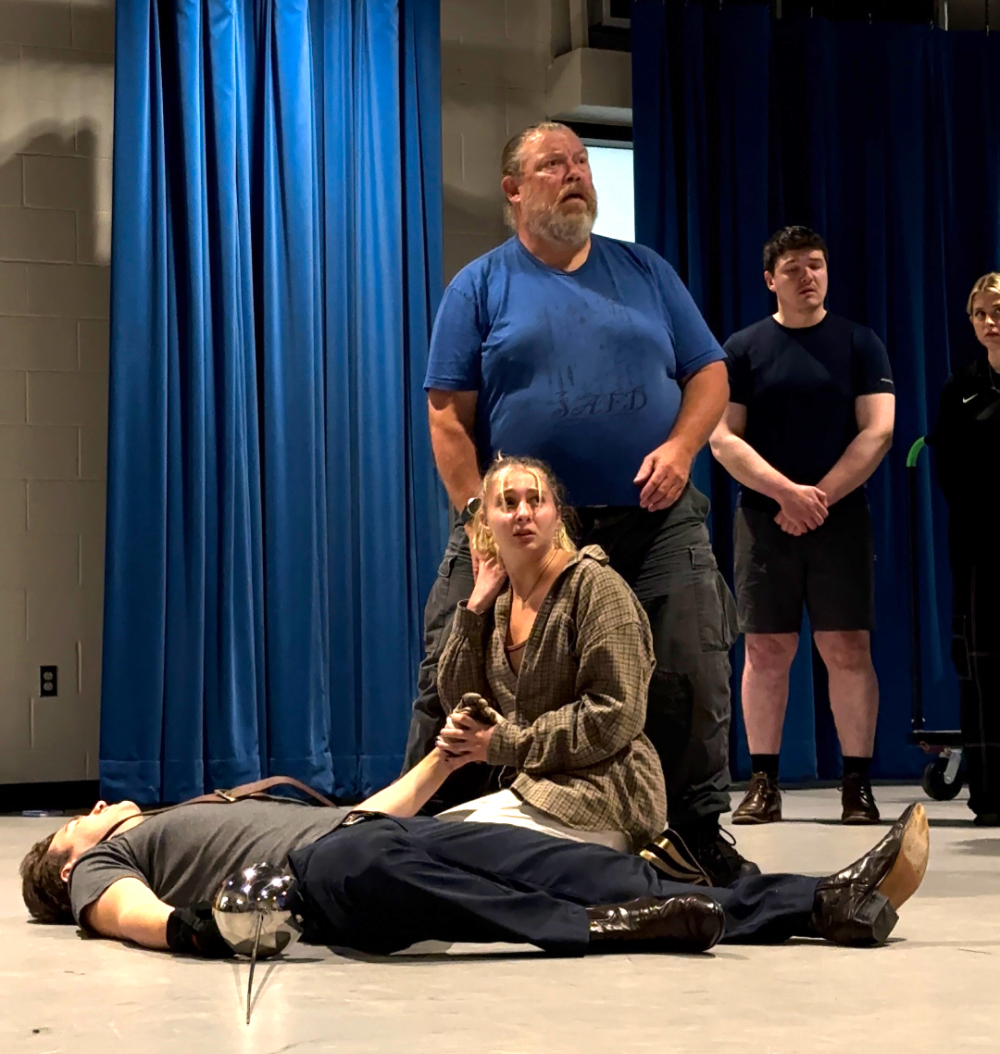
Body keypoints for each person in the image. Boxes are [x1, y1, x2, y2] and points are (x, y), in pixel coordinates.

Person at [403, 120, 748, 885]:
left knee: (694, 650)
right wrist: (476, 519)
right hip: (524, 524)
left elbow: (709, 377)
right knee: (452, 661)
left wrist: (683, 447)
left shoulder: (647, 271)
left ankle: (692, 829)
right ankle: (423, 826)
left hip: (652, 516)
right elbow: (447, 415)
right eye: (554, 163)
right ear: (514, 190)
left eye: (583, 162)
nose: (576, 173)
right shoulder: (481, 285)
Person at [20, 742, 930, 957]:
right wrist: (200, 935)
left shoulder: (193, 810)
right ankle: (602, 929)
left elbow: (370, 806)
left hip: (368, 835)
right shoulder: (112, 860)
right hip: (324, 878)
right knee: (359, 859)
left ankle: (818, 901)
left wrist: (444, 758)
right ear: (64, 864)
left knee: (593, 863)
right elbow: (120, 914)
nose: (96, 810)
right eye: (77, 822)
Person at [710, 226, 895, 825]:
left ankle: (857, 784)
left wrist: (818, 498)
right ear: (771, 280)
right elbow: (721, 437)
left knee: (847, 647)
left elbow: (880, 430)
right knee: (766, 649)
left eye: (815, 265)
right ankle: (763, 781)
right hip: (764, 519)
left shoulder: (860, 342)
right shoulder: (741, 348)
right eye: (792, 268)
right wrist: (786, 494)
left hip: (840, 520)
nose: (807, 276)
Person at [432, 454, 666, 853]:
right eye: (507, 503)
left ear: (557, 517)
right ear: (484, 522)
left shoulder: (594, 587)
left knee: (457, 856)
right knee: (426, 848)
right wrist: (474, 609)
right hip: (535, 787)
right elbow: (458, 700)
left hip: (604, 792)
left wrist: (508, 745)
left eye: (535, 500)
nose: (523, 512)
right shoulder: (500, 603)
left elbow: (614, 713)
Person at [931, 272, 1000, 825]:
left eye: (997, 310)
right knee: (984, 669)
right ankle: (991, 791)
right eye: (979, 313)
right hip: (980, 545)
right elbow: (950, 471)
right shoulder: (961, 389)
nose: (989, 321)